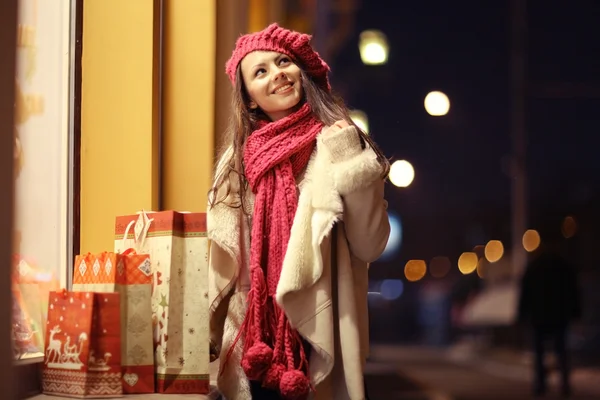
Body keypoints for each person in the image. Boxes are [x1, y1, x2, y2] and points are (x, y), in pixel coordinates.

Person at [207, 23, 390, 400]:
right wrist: (207, 332)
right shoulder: (236, 165)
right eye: (260, 71)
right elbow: (222, 259)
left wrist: (348, 162)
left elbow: (370, 244)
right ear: (251, 98)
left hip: (320, 326)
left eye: (283, 62)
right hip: (254, 335)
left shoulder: (338, 142)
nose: (277, 74)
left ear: (300, 71)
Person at [517, 239, 582, 398]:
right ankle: (564, 383)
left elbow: (525, 292)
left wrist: (522, 313)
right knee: (561, 349)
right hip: (559, 314)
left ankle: (540, 384)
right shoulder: (564, 266)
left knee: (540, 351)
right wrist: (575, 311)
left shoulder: (534, 267)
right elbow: (573, 290)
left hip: (539, 315)